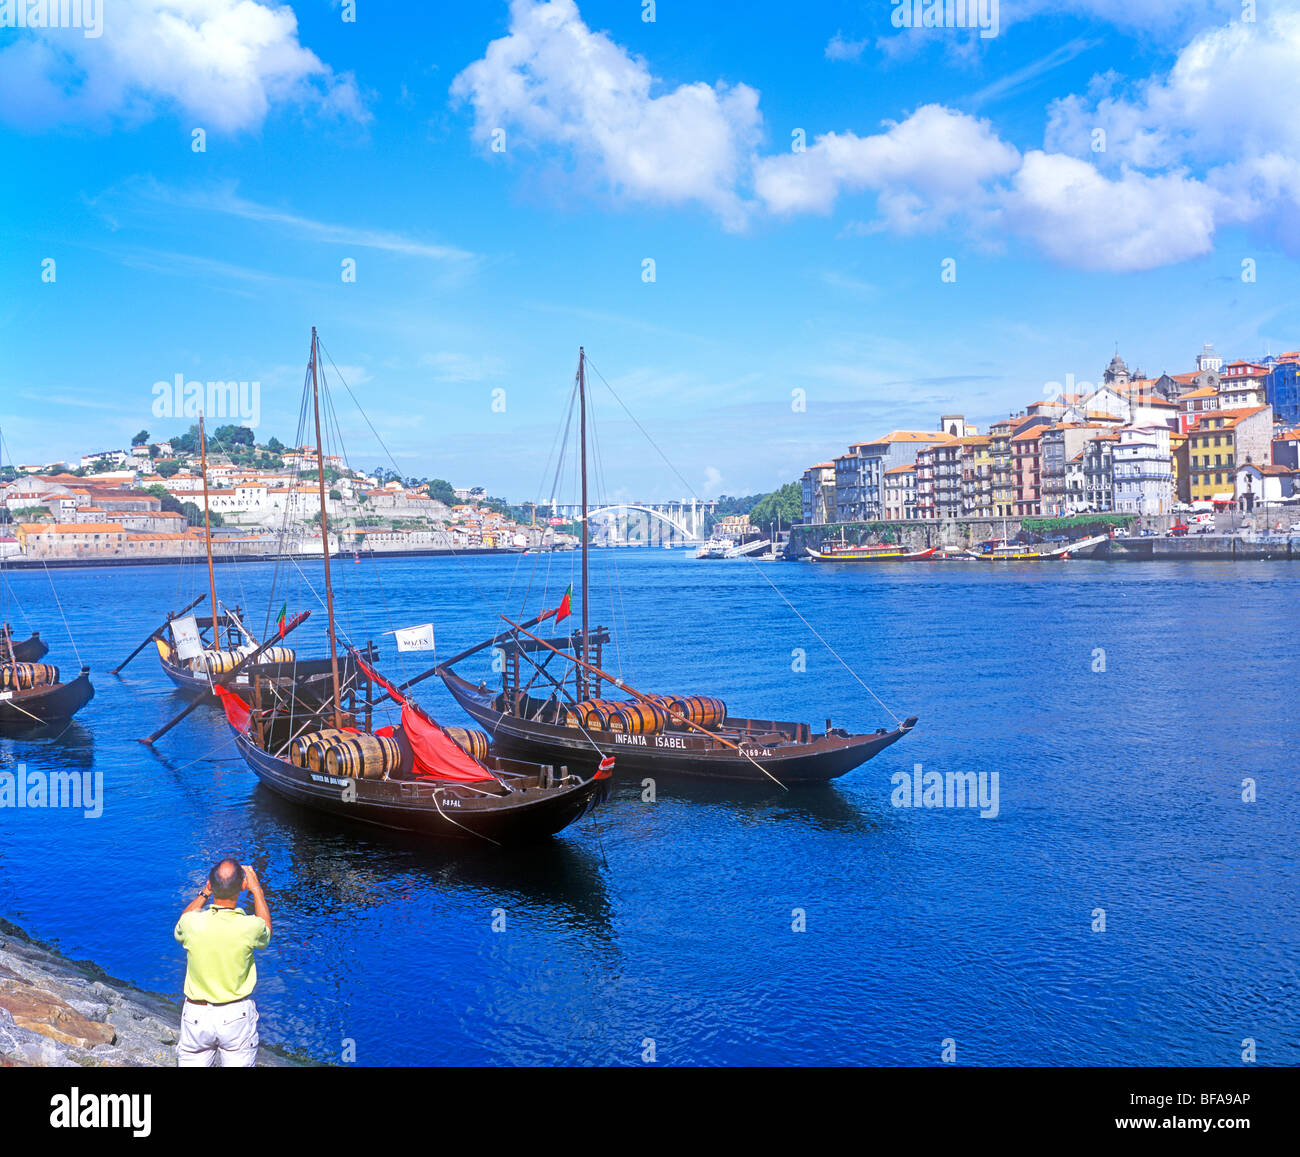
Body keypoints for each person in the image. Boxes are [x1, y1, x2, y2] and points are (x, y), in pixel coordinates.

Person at [173, 859, 272, 1067]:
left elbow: (182, 921)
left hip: (196, 1014)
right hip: (235, 1014)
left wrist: (204, 892)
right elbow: (266, 931)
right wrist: (256, 890)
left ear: (210, 884)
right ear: (242, 886)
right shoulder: (250, 926)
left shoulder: (192, 924)